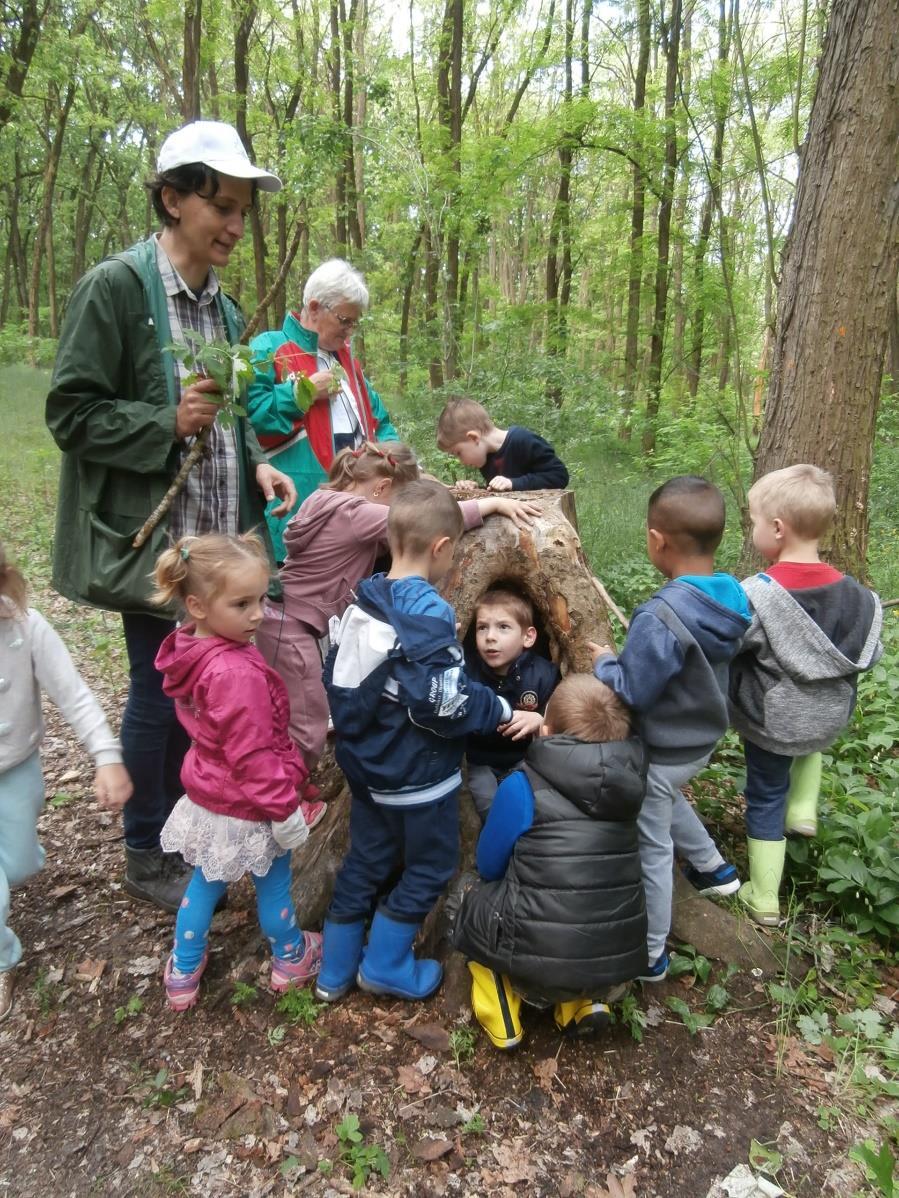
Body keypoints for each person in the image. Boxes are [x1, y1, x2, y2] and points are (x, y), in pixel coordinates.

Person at [45, 120, 296, 914]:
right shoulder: (118, 288)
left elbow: (230, 412)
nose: (232, 225)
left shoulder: (223, 310)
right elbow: (72, 413)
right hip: (158, 542)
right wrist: (165, 423)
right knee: (163, 694)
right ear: (171, 198)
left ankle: (196, 833)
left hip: (221, 533)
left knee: (209, 691)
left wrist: (253, 457)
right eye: (220, 205)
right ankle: (146, 847)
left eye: (242, 212)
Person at [315, 481, 516, 1004]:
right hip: (417, 777)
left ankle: (333, 972)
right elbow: (443, 703)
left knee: (366, 861)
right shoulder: (426, 615)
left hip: (366, 768)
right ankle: (384, 964)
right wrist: (498, 708)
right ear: (443, 549)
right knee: (429, 866)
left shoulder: (367, 597)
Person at [256, 443, 537, 793]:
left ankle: (287, 778)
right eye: (398, 499)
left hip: (281, 618)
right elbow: (422, 527)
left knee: (290, 706)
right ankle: (285, 797)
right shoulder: (357, 514)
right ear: (381, 488)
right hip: (293, 625)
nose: (399, 510)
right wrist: (491, 503)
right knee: (307, 719)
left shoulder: (324, 499)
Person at [589, 476, 751, 981]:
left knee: (652, 846)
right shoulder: (730, 597)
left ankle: (652, 953)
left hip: (661, 746)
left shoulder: (661, 615)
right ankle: (714, 870)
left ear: (657, 540)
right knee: (667, 792)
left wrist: (606, 663)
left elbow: (633, 689)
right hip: (701, 740)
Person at [151, 533, 321, 1011]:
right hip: (252, 803)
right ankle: (291, 956)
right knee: (274, 884)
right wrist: (284, 809)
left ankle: (183, 970)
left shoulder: (194, 649)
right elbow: (252, 756)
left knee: (205, 882)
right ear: (197, 605)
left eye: (262, 599)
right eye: (242, 603)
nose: (258, 614)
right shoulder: (234, 673)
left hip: (211, 794)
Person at [450, 674, 647, 1049]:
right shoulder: (632, 788)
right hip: (612, 958)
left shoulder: (522, 787)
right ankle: (583, 1003)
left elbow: (490, 864)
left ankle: (502, 1014)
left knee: (467, 894)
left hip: (534, 960)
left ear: (545, 730)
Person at [728, 464, 883, 926]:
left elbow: (733, 645)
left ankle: (764, 897)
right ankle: (804, 811)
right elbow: (869, 655)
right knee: (809, 738)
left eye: (754, 522)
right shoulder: (860, 596)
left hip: (773, 723)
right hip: (828, 719)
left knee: (765, 794)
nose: (753, 531)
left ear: (777, 528)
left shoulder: (757, 594)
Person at [0, 544, 132, 1022]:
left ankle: (16, 862)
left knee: (17, 866)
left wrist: (106, 757)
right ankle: (3, 959)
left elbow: (74, 695)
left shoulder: (24, 628)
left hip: (15, 769)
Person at [247, 259, 398, 560]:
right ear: (315, 308)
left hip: (357, 521)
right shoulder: (270, 348)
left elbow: (380, 422)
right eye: (345, 321)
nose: (350, 332)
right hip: (297, 519)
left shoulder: (349, 365)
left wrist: (399, 464)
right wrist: (301, 393)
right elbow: (251, 419)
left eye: (355, 322)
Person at [464, 587, 561, 821]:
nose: (490, 637)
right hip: (480, 762)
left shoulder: (543, 674)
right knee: (490, 810)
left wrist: (540, 719)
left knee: (527, 809)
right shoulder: (468, 671)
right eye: (482, 627)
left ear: (528, 637)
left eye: (503, 627)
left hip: (526, 760)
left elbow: (561, 717)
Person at [436, 397, 569, 493]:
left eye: (458, 453)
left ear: (473, 438)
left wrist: (513, 483)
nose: (461, 461)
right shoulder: (487, 459)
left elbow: (559, 476)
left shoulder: (522, 440)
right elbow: (502, 491)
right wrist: (477, 489)